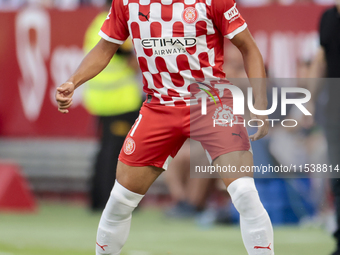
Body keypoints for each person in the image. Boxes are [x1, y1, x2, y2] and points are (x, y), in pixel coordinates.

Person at [55, 1, 274, 254]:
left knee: (244, 193)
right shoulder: (126, 3)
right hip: (160, 108)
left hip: (210, 102)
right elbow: (104, 48)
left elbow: (249, 48)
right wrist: (73, 81)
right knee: (119, 202)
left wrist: (260, 103)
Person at [82, 0, 142, 210]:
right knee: (117, 152)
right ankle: (111, 200)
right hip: (119, 100)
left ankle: (97, 198)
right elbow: (127, 57)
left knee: (106, 149)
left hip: (102, 98)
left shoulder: (96, 23)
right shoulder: (115, 22)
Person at [309, 2, 340, 255]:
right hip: (334, 111)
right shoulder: (328, 17)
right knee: (338, 179)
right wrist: (307, 101)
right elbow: (321, 61)